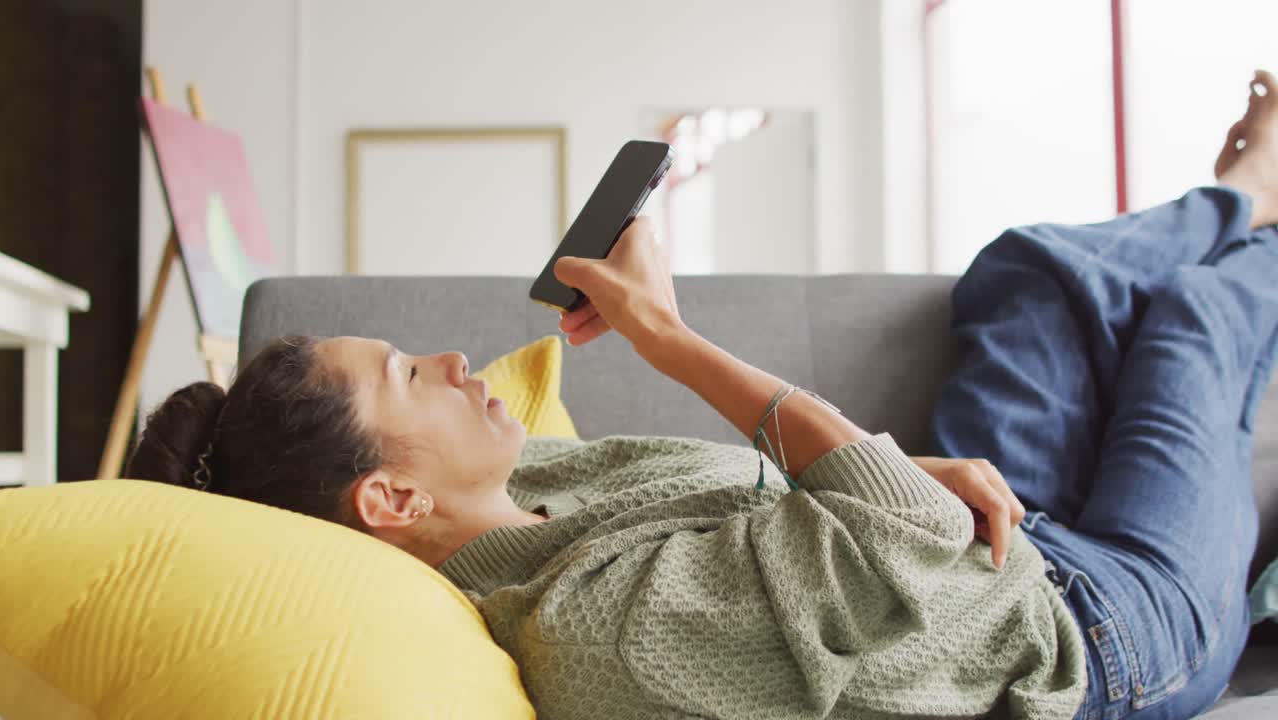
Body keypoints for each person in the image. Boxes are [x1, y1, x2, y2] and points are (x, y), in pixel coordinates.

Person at [127, 71, 1278, 720]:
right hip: (1093, 629)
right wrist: (665, 338)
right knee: (1183, 320)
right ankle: (1261, 190)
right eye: (406, 377)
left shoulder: (539, 484)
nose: (453, 363)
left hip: (976, 531)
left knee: (1026, 269)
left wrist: (896, 470)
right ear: (386, 500)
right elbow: (899, 541)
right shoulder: (599, 637)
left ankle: (1233, 196)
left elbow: (809, 513)